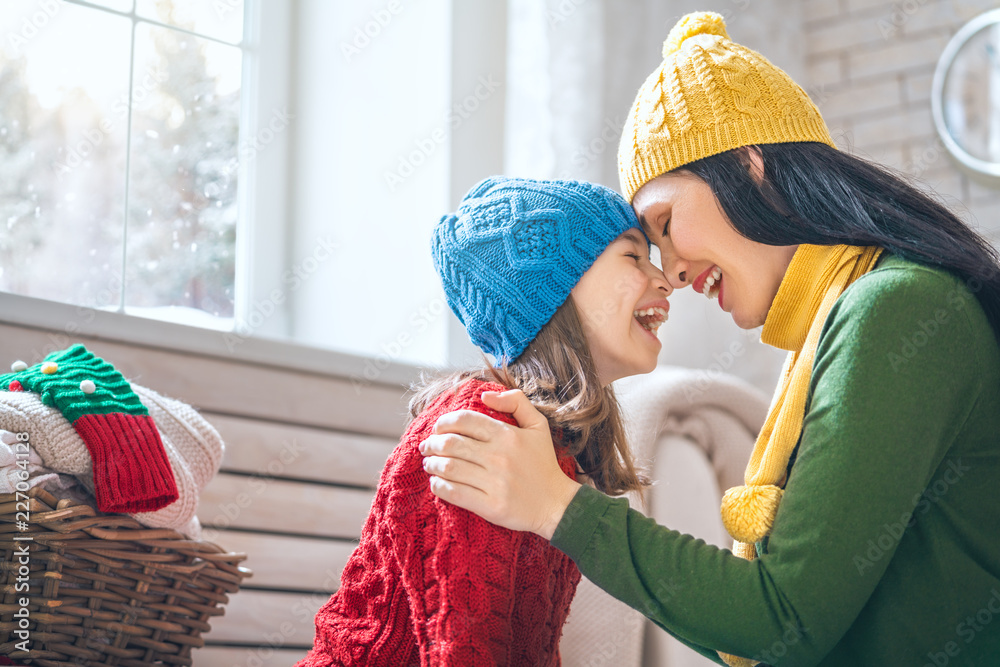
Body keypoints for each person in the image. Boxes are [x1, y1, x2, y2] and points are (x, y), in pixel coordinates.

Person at [419, 12, 1000, 667]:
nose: (672, 274)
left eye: (663, 224)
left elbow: (782, 618)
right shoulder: (864, 312)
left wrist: (561, 508)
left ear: (748, 167)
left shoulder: (896, 308)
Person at [297, 176, 671, 666]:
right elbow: (465, 652)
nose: (665, 280)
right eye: (633, 257)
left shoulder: (550, 447)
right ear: (553, 291)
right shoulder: (483, 427)